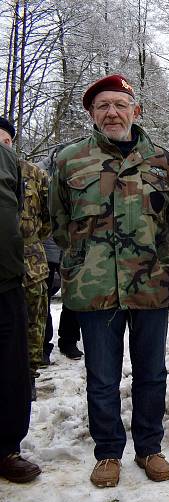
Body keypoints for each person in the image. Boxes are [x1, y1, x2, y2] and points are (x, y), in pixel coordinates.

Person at [50, 74, 169, 487]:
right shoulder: (69, 160)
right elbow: (58, 223)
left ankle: (150, 447)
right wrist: (87, 260)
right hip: (95, 288)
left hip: (150, 283)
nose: (112, 112)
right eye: (103, 106)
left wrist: (149, 255)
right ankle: (108, 452)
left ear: (135, 111)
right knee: (102, 376)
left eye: (120, 105)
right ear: (91, 113)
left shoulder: (161, 161)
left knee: (152, 372)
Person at [0, 130, 41, 483]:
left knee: (15, 361)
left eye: (6, 139)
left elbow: (40, 217)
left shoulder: (22, 168)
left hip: (16, 272)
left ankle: (8, 448)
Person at [0, 117, 51, 398]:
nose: (3, 148)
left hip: (31, 262)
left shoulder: (33, 174)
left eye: (7, 142)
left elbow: (48, 218)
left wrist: (27, 240)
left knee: (33, 321)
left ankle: (29, 375)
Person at [43, 237, 84, 362]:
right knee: (43, 301)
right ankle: (43, 346)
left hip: (72, 251)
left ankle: (69, 341)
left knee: (73, 297)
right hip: (44, 253)